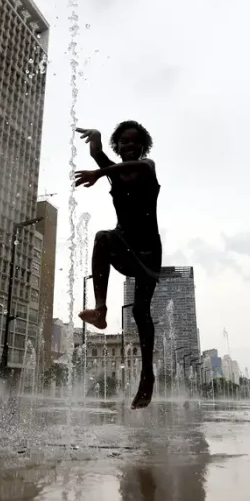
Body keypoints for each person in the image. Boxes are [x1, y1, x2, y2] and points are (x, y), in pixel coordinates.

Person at [73, 121, 161, 409]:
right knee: (102, 238)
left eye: (134, 142)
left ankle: (147, 375)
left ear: (142, 146)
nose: (128, 146)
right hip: (123, 241)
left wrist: (101, 172)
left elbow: (124, 168)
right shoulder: (116, 172)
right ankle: (100, 310)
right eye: (123, 142)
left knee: (140, 310)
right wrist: (96, 139)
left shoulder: (148, 166)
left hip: (147, 249)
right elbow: (99, 156)